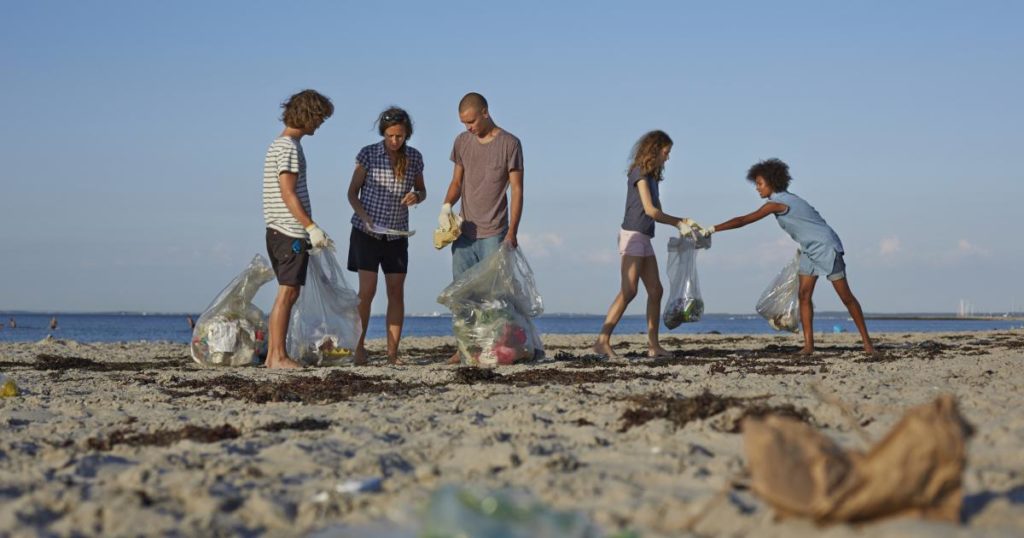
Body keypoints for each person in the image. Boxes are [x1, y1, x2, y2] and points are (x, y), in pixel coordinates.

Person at [703, 158, 875, 355]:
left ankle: (867, 344)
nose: (757, 189)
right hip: (809, 250)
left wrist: (712, 229)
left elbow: (743, 220)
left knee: (846, 297)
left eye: (760, 184)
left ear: (772, 182)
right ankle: (809, 346)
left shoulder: (778, 203)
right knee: (803, 295)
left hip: (826, 247)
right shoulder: (782, 200)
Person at [592, 130, 705, 359]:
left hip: (644, 237)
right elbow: (651, 210)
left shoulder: (653, 177)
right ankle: (602, 341)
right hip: (632, 235)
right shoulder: (639, 173)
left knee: (656, 290)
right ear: (655, 150)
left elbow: (659, 211)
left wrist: (685, 224)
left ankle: (653, 345)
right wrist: (678, 222)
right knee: (629, 290)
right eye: (666, 152)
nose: (668, 157)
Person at [438, 93, 524, 364]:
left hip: (494, 232)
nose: (468, 127)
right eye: (464, 123)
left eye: (471, 121)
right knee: (462, 295)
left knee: (495, 297)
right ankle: (464, 347)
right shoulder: (462, 142)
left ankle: (496, 347)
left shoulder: (510, 143)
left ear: (485, 112)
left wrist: (512, 232)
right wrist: (445, 207)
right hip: (464, 233)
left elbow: (518, 191)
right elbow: (456, 182)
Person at [347, 107, 427, 366]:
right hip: (366, 232)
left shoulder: (414, 157)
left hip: (397, 234)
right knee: (367, 292)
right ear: (383, 133)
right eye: (391, 136)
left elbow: (422, 190)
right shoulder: (368, 154)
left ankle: (393, 354)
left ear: (407, 135)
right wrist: (366, 218)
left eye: (400, 137)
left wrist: (417, 196)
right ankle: (359, 348)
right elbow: (352, 194)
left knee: (396, 292)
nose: (395, 141)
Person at [262, 89, 335, 369]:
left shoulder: (280, 144)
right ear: (308, 115)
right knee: (288, 292)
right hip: (289, 230)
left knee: (287, 291)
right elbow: (288, 193)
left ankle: (272, 356)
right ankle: (278, 356)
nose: (320, 124)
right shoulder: (288, 147)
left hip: (278, 229)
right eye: (319, 118)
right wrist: (311, 227)